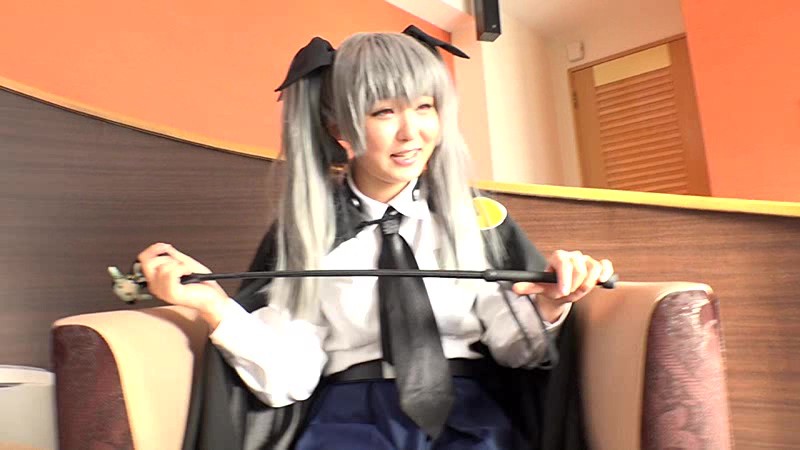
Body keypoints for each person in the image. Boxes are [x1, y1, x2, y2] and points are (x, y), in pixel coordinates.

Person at [137, 30, 614, 450]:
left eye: (425, 107)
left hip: (471, 413)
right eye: (384, 111)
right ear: (339, 127)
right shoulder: (310, 235)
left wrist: (551, 303)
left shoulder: (476, 221)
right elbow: (290, 377)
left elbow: (517, 350)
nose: (412, 132)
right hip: (351, 419)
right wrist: (215, 307)